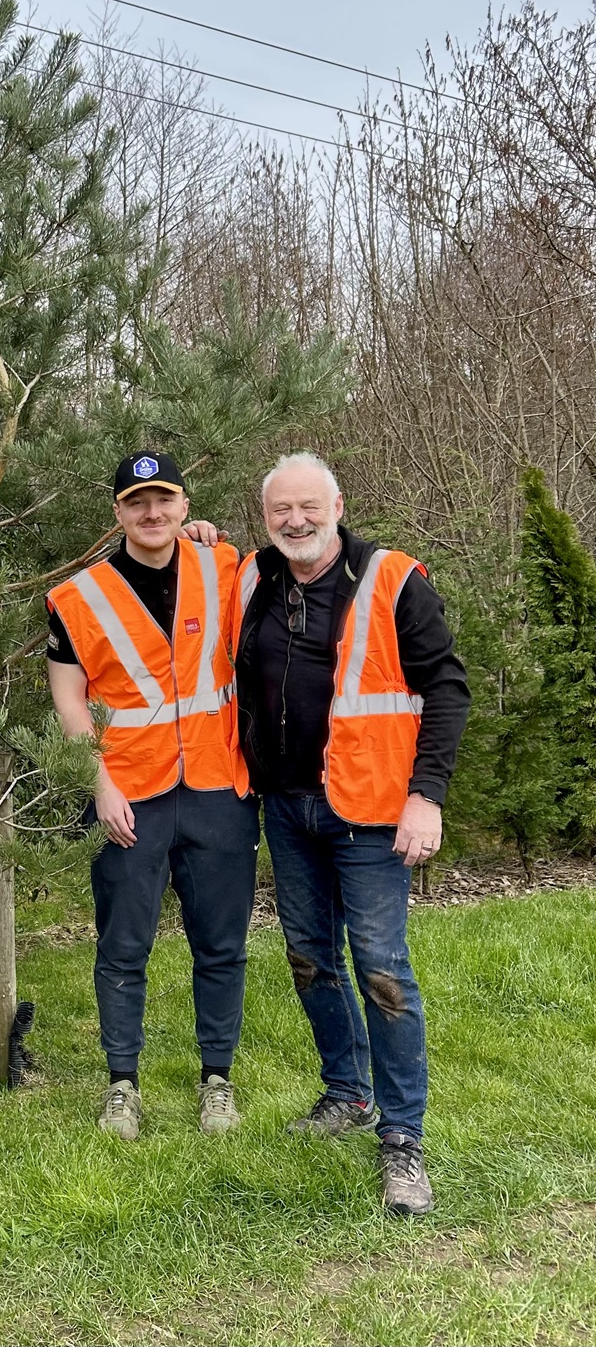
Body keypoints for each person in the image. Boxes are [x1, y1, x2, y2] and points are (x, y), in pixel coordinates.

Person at [233, 452, 470, 1217]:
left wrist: (426, 797)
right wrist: (200, 529)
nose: (295, 521)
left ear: (337, 503)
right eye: (279, 511)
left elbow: (447, 689)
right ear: (264, 517)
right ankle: (348, 1092)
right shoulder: (252, 579)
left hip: (371, 812)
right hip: (288, 808)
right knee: (308, 958)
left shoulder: (394, 579)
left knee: (381, 967)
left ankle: (403, 1140)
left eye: (308, 506)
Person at [47, 452, 258, 1141]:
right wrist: (98, 782)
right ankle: (122, 1084)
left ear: (183, 503)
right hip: (127, 794)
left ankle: (216, 1081)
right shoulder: (77, 598)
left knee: (221, 943)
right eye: (137, 501)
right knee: (123, 944)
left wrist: (212, 535)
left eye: (164, 499)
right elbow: (70, 700)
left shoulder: (223, 566)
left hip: (216, 787)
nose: (152, 512)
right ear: (118, 512)